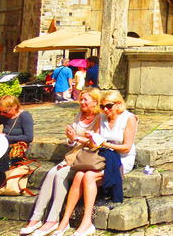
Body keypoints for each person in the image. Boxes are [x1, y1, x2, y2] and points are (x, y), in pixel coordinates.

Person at [52, 90, 138, 236]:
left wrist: (106, 144)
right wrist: (87, 139)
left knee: (89, 176)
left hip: (121, 158)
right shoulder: (102, 117)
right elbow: (94, 144)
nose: (105, 109)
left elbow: (126, 147)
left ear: (118, 104)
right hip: (102, 155)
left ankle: (87, 221)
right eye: (103, 106)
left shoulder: (129, 118)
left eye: (109, 106)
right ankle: (65, 220)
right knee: (79, 174)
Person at [20, 88, 101, 236]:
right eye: (81, 99)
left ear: (95, 101)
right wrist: (71, 138)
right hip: (74, 154)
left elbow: (95, 143)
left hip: (87, 158)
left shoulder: (99, 118)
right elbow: (72, 141)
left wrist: (76, 138)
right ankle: (36, 217)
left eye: (85, 100)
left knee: (60, 175)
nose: (82, 102)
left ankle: (52, 219)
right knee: (50, 173)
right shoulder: (79, 116)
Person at [0, 95, 35, 187]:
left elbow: (29, 137)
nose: (3, 114)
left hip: (17, 148)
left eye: (5, 111)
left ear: (15, 106)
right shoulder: (4, 116)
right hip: (5, 145)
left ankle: (0, 179)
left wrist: (8, 137)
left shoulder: (24, 116)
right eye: (0, 112)